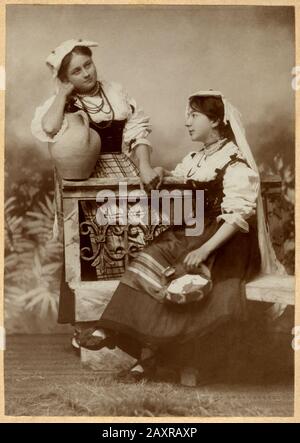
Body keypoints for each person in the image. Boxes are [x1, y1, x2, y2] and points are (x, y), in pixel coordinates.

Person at [78, 90, 287, 385]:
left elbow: (238, 218)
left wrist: (203, 251)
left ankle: (167, 361)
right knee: (149, 259)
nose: (186, 122)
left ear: (215, 120)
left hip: (227, 242)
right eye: (187, 115)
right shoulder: (196, 158)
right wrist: (164, 172)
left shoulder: (235, 163)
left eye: (194, 115)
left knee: (184, 276)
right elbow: (183, 183)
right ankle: (111, 330)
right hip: (196, 231)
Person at [31, 39, 163, 348]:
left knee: (135, 238)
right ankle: (87, 328)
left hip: (123, 168)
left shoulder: (116, 92)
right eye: (76, 71)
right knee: (91, 246)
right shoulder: (63, 101)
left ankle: (133, 324)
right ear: (66, 77)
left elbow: (138, 132)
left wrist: (144, 166)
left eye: (87, 65)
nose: (86, 74)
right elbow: (49, 128)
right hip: (85, 175)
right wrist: (62, 94)